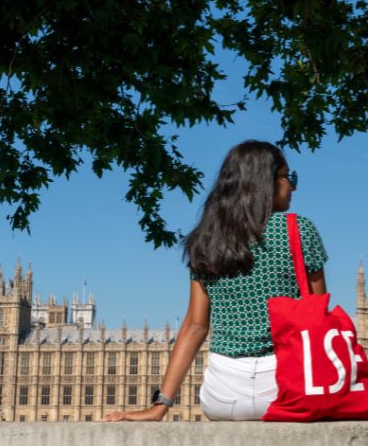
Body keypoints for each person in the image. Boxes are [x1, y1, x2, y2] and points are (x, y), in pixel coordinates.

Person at [103, 140, 328, 421]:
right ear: (264, 182)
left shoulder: (206, 240)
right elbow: (319, 314)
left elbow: (195, 326)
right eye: (286, 177)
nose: (292, 186)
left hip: (224, 393)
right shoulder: (299, 229)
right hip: (288, 385)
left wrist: (160, 405)